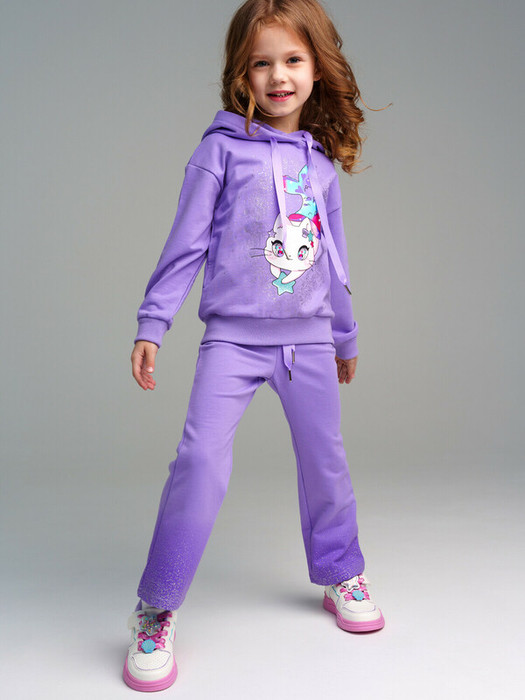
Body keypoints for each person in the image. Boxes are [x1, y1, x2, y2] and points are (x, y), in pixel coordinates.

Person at [123, 0, 385, 692]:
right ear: (240, 74)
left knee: (325, 462)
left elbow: (333, 256)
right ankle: (156, 605)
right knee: (199, 463)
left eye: (293, 60)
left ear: (317, 69)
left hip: (309, 340)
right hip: (233, 341)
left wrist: (345, 333)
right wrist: (154, 322)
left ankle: (342, 571)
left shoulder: (319, 164)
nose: (278, 76)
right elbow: (185, 245)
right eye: (260, 63)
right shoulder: (218, 151)